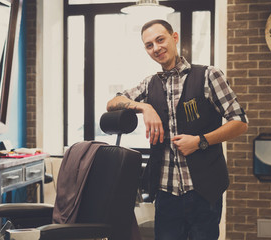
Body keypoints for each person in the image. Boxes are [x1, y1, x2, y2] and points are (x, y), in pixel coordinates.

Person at [106, 19, 248, 240]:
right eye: (149, 45)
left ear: (174, 37)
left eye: (160, 40)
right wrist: (144, 107)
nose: (156, 48)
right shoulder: (149, 84)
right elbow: (113, 103)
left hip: (204, 191)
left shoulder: (208, 75)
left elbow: (239, 122)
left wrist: (201, 141)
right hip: (166, 195)